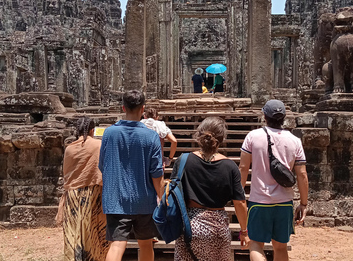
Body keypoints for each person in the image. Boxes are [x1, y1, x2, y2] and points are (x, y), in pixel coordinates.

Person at [171, 116, 250, 261]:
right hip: (218, 227)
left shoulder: (183, 160)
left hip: (190, 225)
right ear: (221, 138)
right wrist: (244, 231)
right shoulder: (230, 166)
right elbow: (239, 203)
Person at [239, 100, 309, 261]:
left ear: (264, 116)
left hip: (259, 200)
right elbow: (302, 174)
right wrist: (303, 203)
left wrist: (239, 193)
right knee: (281, 247)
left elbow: (243, 168)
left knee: (256, 244)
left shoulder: (253, 136)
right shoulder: (294, 141)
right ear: (283, 118)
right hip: (284, 201)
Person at [99, 90, 164, 261]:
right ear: (143, 109)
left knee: (117, 244)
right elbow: (156, 173)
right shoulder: (151, 136)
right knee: (146, 243)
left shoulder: (109, 134)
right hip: (144, 199)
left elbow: (102, 165)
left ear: (123, 107)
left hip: (116, 199)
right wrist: (161, 197)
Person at [57, 116, 109, 261]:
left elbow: (66, 173)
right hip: (93, 194)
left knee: (72, 234)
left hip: (72, 195)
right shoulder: (98, 145)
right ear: (92, 130)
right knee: (94, 236)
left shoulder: (69, 148)